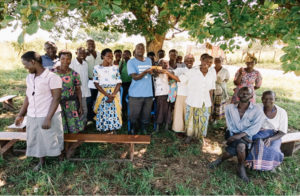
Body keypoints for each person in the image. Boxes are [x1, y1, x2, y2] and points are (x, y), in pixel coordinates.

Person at [15, 51, 63, 170]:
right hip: (33, 114)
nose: (25, 67)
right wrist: (21, 114)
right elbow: (28, 96)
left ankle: (60, 158)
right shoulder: (29, 77)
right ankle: (41, 161)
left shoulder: (52, 77)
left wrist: (48, 118)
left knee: (52, 137)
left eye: (26, 65)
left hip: (48, 114)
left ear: (33, 62)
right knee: (36, 138)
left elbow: (56, 98)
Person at [209, 87, 265, 183]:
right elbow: (230, 125)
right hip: (231, 134)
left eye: (247, 93)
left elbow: (255, 127)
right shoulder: (229, 108)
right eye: (242, 93)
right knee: (241, 144)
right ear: (238, 95)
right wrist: (239, 136)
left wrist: (238, 136)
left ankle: (223, 160)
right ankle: (240, 166)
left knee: (241, 146)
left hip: (244, 136)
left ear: (251, 96)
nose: (244, 95)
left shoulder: (257, 110)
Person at [245, 90, 287, 171]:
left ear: (275, 99)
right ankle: (256, 165)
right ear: (261, 99)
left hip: (274, 135)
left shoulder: (282, 112)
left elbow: (282, 132)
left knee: (273, 149)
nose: (267, 101)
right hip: (258, 133)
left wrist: (270, 139)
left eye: (271, 99)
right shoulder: (257, 108)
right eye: (265, 99)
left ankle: (269, 166)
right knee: (260, 146)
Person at [182, 55, 216, 143]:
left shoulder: (212, 72)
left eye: (210, 62)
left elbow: (211, 88)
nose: (208, 64)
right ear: (201, 60)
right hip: (193, 99)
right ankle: (189, 136)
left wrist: (211, 102)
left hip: (205, 101)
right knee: (191, 119)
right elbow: (181, 80)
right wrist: (168, 73)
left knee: (203, 119)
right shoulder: (193, 71)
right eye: (206, 61)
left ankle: (200, 137)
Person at [51, 50, 84, 133]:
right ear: (59, 59)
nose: (65, 61)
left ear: (71, 60)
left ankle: (69, 145)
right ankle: (60, 144)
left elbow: (78, 90)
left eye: (68, 59)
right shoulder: (52, 73)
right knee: (59, 126)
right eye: (63, 58)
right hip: (56, 104)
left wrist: (80, 105)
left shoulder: (74, 74)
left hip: (70, 104)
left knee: (72, 126)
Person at [127, 43, 154, 135]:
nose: (140, 50)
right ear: (135, 50)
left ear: (144, 50)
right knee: (134, 114)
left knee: (146, 114)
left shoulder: (149, 60)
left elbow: (151, 74)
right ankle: (133, 129)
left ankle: (144, 129)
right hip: (136, 93)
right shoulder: (131, 62)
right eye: (138, 48)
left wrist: (154, 72)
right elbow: (135, 77)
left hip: (148, 93)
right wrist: (146, 71)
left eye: (142, 48)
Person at [93, 48, 122, 132]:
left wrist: (113, 95)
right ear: (103, 56)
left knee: (114, 110)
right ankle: (104, 128)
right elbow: (96, 83)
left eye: (112, 56)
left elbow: (119, 82)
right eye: (108, 56)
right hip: (103, 92)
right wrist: (107, 94)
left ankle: (114, 128)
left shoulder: (115, 68)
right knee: (102, 110)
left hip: (114, 92)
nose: (110, 58)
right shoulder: (97, 68)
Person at [153, 60, 180, 131]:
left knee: (168, 110)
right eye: (161, 63)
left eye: (165, 64)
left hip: (169, 94)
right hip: (160, 94)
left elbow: (175, 79)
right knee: (160, 110)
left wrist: (167, 72)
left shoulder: (169, 72)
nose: (164, 65)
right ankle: (158, 126)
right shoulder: (155, 72)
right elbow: (155, 74)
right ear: (158, 65)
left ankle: (166, 126)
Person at [172, 54, 194, 133]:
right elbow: (173, 73)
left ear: (194, 61)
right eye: (187, 60)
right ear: (184, 62)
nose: (189, 62)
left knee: (189, 113)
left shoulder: (196, 70)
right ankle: (178, 129)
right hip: (181, 94)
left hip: (192, 95)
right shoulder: (180, 69)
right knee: (179, 113)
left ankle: (188, 129)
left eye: (191, 60)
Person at [70, 47, 91, 126]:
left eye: (84, 53)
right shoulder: (72, 64)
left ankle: (83, 125)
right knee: (76, 109)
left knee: (84, 109)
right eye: (80, 53)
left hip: (84, 91)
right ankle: (77, 125)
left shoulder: (85, 63)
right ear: (76, 53)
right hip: (75, 91)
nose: (82, 55)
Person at [85, 39, 103, 122]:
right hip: (90, 81)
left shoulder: (100, 54)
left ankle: (98, 116)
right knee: (89, 100)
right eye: (89, 44)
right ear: (86, 46)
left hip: (100, 81)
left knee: (99, 99)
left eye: (92, 44)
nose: (91, 45)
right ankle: (90, 118)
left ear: (95, 45)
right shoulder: (84, 55)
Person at [211, 57, 230, 122]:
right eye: (216, 61)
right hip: (211, 88)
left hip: (220, 89)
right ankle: (211, 116)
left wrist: (221, 81)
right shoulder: (211, 69)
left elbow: (227, 79)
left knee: (218, 103)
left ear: (222, 62)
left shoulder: (225, 70)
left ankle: (216, 119)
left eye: (219, 61)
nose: (217, 62)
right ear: (214, 62)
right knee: (211, 102)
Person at [119, 50, 132, 120]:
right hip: (123, 84)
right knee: (123, 99)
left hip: (131, 83)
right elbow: (119, 71)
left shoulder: (132, 62)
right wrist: (122, 62)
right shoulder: (121, 62)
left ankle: (129, 113)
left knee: (129, 98)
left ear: (130, 55)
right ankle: (124, 114)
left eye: (127, 54)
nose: (125, 55)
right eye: (123, 54)